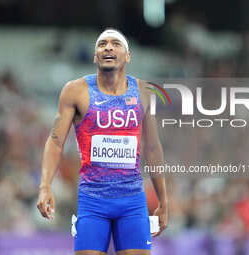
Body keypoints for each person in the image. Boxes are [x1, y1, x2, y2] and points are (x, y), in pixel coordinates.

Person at [37, 28, 168, 255]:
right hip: (92, 201)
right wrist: (45, 186)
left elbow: (153, 148)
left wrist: (163, 200)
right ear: (96, 56)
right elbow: (56, 141)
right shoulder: (75, 91)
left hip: (132, 202)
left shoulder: (144, 92)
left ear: (127, 56)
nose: (108, 47)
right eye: (102, 44)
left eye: (116, 43)